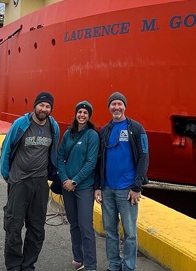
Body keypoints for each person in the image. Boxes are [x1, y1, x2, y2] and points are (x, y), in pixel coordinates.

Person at [0, 91, 60, 271]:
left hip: (40, 182)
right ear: (35, 106)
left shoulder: (53, 126)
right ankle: (13, 265)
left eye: (48, 106)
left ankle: (28, 264)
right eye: (41, 105)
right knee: (14, 225)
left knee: (37, 227)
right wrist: (6, 175)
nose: (44, 109)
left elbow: (54, 150)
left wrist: (54, 173)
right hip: (19, 181)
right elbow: (6, 148)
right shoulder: (21, 124)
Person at [94, 92, 149, 271]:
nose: (116, 107)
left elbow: (144, 157)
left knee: (130, 233)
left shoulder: (137, 128)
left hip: (127, 190)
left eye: (119, 104)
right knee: (110, 232)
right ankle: (115, 265)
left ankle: (128, 267)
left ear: (125, 106)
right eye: (113, 104)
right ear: (109, 107)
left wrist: (137, 186)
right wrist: (98, 187)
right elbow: (99, 160)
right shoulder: (104, 131)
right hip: (108, 189)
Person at [57, 101, 99, 271]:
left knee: (85, 226)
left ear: (89, 116)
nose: (82, 115)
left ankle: (90, 264)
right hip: (67, 187)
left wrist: (75, 181)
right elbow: (59, 157)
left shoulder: (92, 136)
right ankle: (78, 257)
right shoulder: (68, 134)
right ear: (75, 114)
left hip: (84, 187)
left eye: (85, 113)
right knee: (73, 224)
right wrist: (65, 179)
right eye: (79, 112)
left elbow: (91, 162)